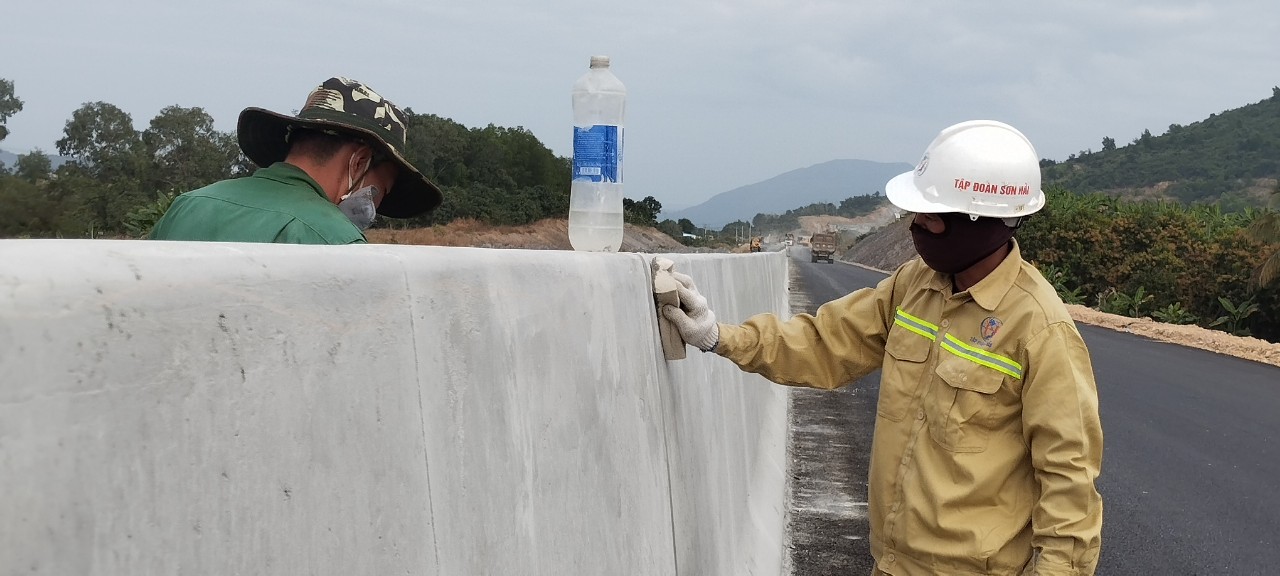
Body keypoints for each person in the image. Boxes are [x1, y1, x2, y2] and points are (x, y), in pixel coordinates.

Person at [661, 120, 1103, 576]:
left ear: (980, 222)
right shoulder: (915, 286)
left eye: (930, 216)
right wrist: (719, 336)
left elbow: (1069, 488)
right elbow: (826, 342)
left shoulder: (1041, 329)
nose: (916, 227)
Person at [150, 77, 442, 244]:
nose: (374, 208)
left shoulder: (187, 205)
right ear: (359, 162)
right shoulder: (334, 239)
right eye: (382, 190)